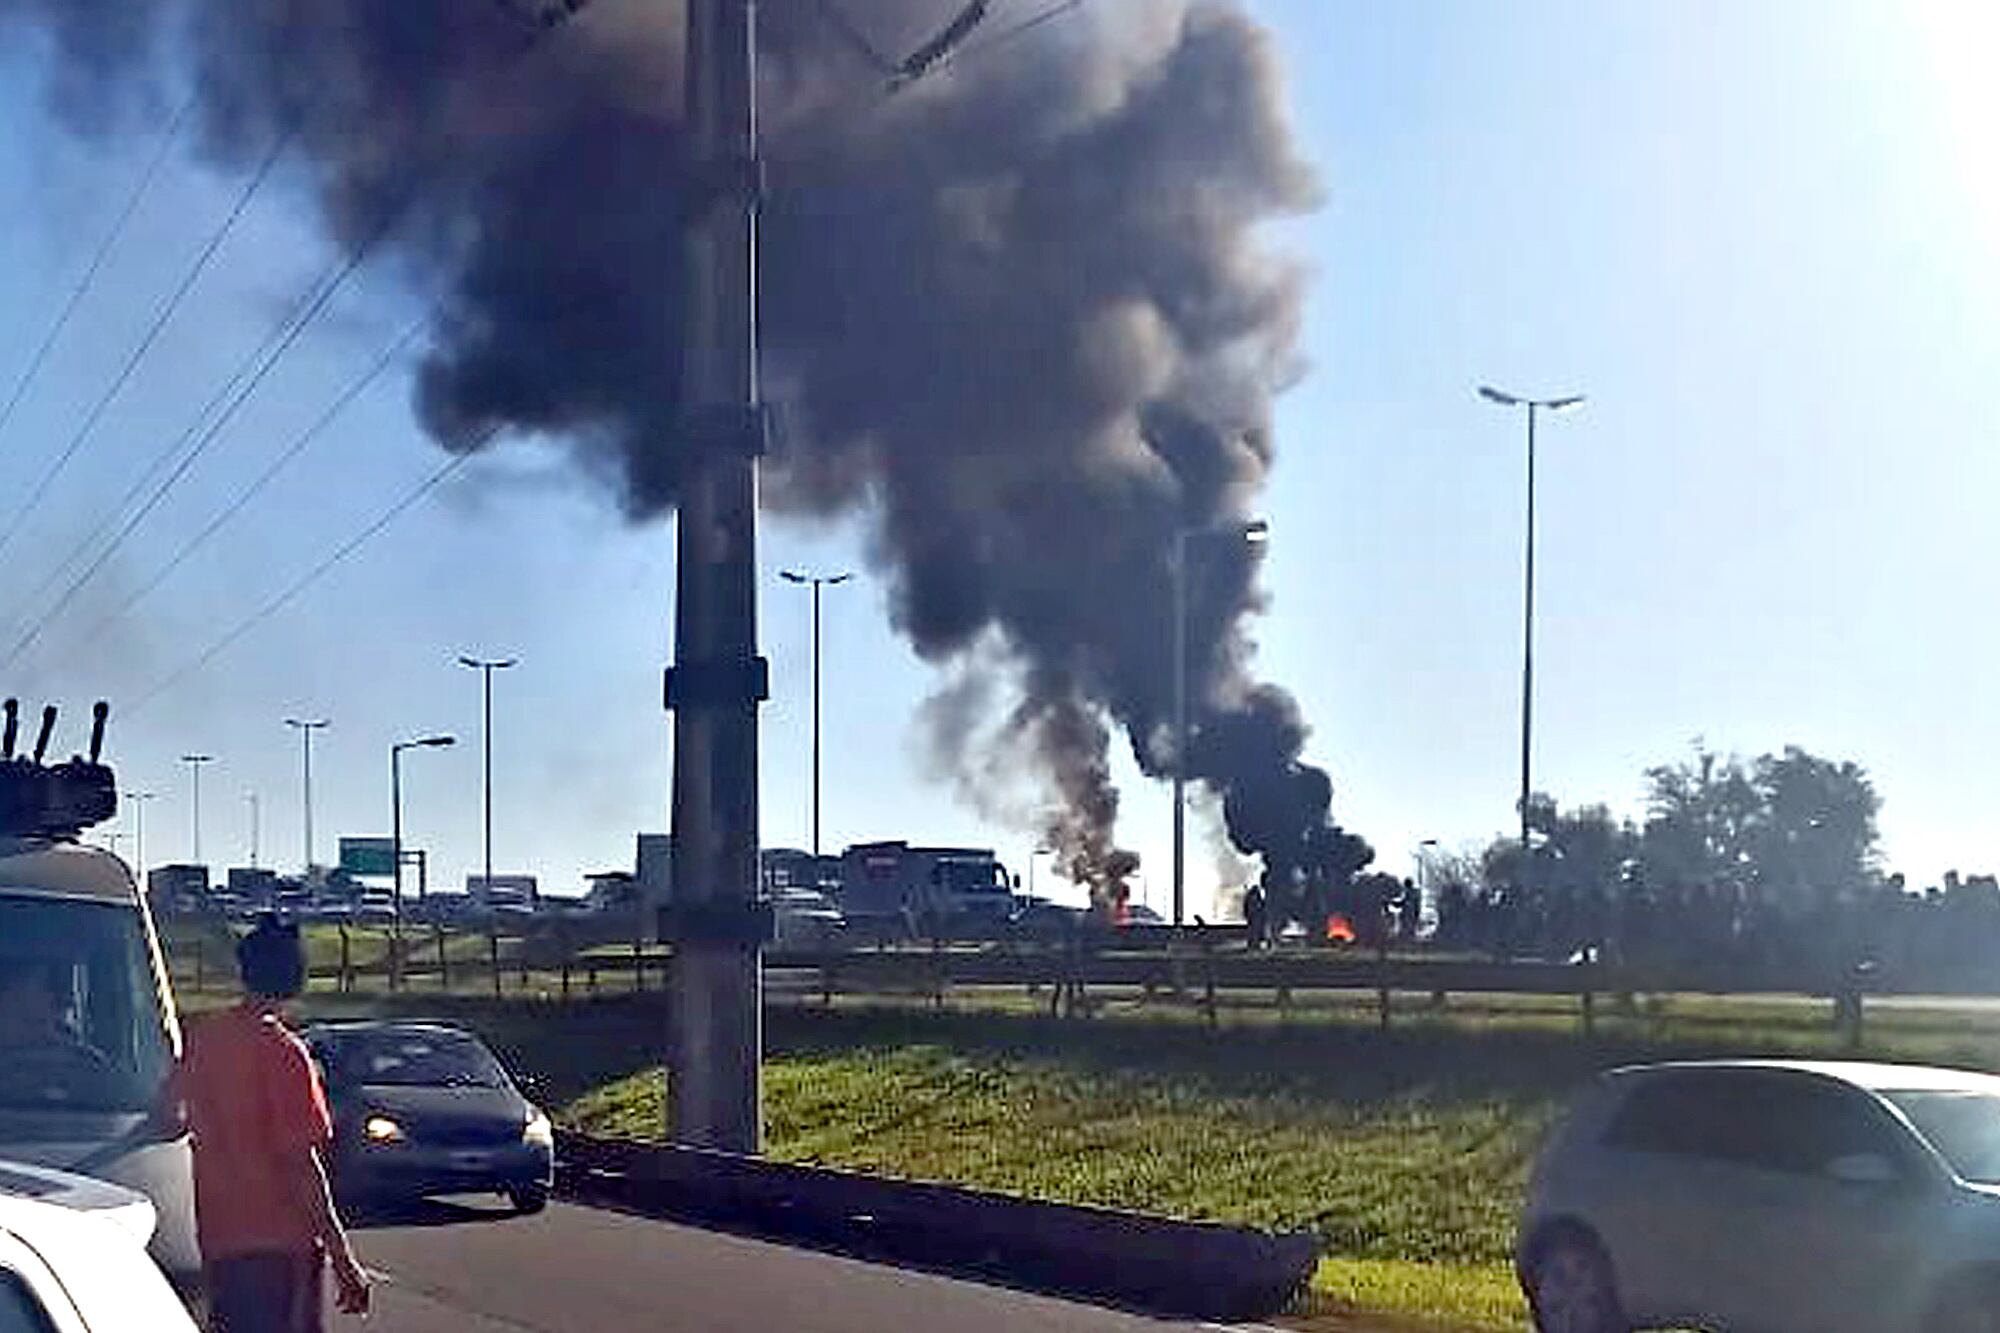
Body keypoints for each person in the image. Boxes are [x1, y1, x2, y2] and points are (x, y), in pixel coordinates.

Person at [170, 918, 369, 1332]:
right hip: (279, 1244)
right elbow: (301, 1162)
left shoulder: (206, 1039)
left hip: (219, 1235)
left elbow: (167, 1113)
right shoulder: (284, 1053)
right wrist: (341, 1254)